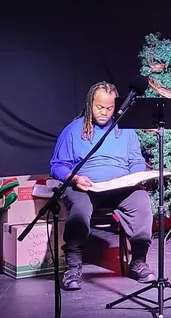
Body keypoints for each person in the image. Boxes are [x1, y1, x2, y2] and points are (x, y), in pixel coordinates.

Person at [50, 81, 156, 291]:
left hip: (119, 188)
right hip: (85, 187)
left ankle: (138, 262)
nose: (104, 112)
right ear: (90, 104)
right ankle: (73, 267)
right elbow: (57, 165)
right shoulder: (73, 130)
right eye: (99, 107)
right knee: (80, 208)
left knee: (142, 201)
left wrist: (136, 177)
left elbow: (136, 160)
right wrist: (75, 178)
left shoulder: (125, 131)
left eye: (109, 108)